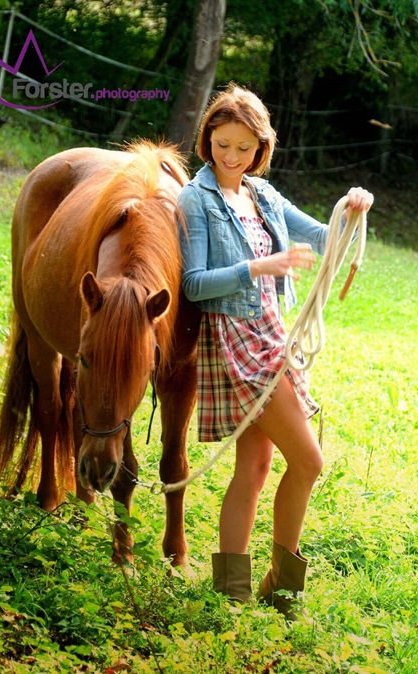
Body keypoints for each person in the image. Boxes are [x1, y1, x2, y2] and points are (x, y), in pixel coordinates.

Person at [177, 83, 373, 620]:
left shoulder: (264, 195)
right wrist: (259, 268)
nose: (232, 158)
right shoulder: (196, 199)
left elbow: (323, 237)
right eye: (222, 145)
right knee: (308, 461)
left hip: (271, 332)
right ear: (207, 139)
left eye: (243, 148)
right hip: (237, 340)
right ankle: (282, 590)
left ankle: (234, 590)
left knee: (256, 465)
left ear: (260, 147)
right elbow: (194, 283)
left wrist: (353, 209)